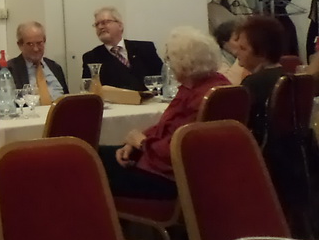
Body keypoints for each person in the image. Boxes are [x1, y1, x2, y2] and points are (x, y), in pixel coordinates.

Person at [98, 27, 227, 199]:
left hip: (169, 177)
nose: (169, 65)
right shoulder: (216, 85)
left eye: (169, 59)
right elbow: (165, 127)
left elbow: (178, 148)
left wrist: (141, 143)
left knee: (88, 162)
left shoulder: (202, 97)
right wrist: (133, 143)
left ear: (185, 62)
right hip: (182, 170)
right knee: (97, 154)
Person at [81, 6, 164, 91]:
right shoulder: (91, 58)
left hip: (150, 99)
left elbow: (163, 78)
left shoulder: (145, 48)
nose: (100, 27)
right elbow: (88, 90)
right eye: (97, 24)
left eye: (104, 22)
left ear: (120, 25)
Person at [232, 15, 286, 144]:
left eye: (243, 48)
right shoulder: (287, 76)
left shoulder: (254, 83)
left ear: (262, 52)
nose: (236, 53)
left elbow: (239, 127)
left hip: (261, 149)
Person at [0, 21, 68, 103]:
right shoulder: (7, 70)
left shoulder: (55, 67)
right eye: (30, 44)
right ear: (20, 45)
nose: (36, 49)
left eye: (39, 43)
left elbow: (67, 100)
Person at [214, 19, 249, 84]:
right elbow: (231, 83)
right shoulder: (217, 60)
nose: (241, 43)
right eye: (236, 40)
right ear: (224, 43)